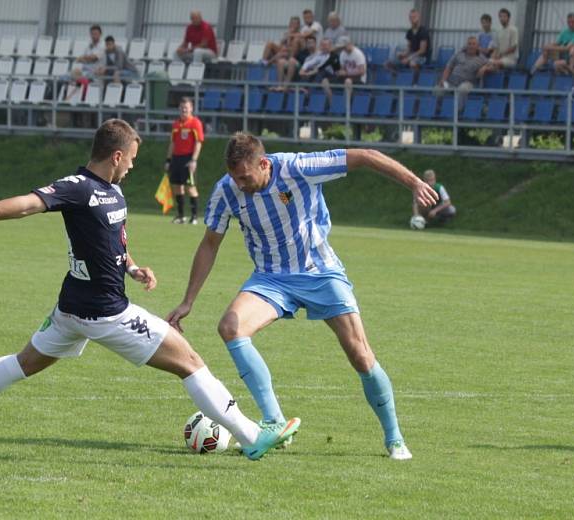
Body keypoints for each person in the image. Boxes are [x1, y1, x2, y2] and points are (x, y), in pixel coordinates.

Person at [0, 120, 300, 460]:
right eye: (132, 159)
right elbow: (27, 205)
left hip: (70, 310)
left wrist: (133, 267)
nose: (133, 166)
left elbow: (112, 244)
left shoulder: (114, 193)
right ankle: (252, 437)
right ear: (117, 155)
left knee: (25, 363)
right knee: (190, 362)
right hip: (106, 312)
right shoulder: (77, 189)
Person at [167, 133, 438, 460]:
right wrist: (188, 300)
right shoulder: (227, 190)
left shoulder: (298, 167)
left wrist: (413, 183)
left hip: (320, 272)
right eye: (235, 177)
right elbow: (210, 243)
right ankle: (274, 421)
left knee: (361, 355)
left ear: (264, 164)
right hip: (270, 278)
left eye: (245, 177)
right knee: (230, 327)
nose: (239, 184)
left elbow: (365, 155)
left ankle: (394, 438)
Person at [165, 97, 204, 224]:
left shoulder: (195, 123)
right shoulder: (176, 124)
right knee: (177, 187)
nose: (183, 110)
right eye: (181, 107)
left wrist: (194, 160)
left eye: (186, 107)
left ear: (191, 108)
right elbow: (172, 143)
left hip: (188, 158)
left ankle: (194, 217)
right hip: (176, 159)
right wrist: (168, 160)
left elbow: (198, 143)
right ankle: (181, 216)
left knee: (190, 187)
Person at [436, 36, 487, 110]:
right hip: (452, 82)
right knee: (437, 89)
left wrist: (484, 67)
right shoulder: (459, 54)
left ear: (477, 46)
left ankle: (457, 113)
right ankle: (438, 112)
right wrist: (443, 80)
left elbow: (493, 65)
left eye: (473, 44)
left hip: (468, 83)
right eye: (469, 44)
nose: (471, 46)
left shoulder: (481, 58)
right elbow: (448, 67)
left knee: (462, 89)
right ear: (466, 45)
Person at [479, 8, 518, 75]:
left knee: (492, 65)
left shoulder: (513, 30)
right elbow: (496, 48)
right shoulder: (498, 30)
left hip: (510, 59)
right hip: (499, 58)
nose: (502, 18)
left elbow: (513, 48)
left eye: (504, 16)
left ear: (508, 18)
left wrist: (500, 54)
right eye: (500, 16)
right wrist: (492, 58)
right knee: (486, 62)